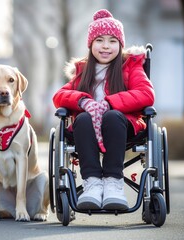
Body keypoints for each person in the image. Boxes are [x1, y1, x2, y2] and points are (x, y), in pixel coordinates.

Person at [52, 9, 155, 210]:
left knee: (112, 116)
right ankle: (92, 183)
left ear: (120, 44)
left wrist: (110, 102)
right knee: (82, 119)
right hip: (86, 130)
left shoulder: (131, 67)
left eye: (112, 41)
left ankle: (113, 183)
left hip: (121, 126)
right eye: (99, 40)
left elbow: (146, 94)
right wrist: (83, 102)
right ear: (90, 45)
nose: (106, 46)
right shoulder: (83, 71)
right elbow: (59, 96)